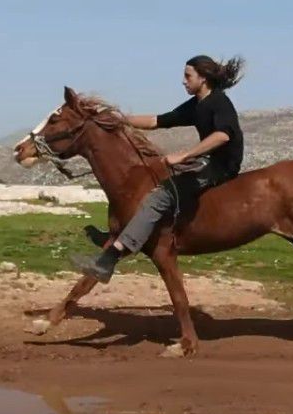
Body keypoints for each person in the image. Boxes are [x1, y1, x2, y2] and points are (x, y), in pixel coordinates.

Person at [73, 55, 245, 283]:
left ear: (203, 78)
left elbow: (223, 135)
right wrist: (119, 120)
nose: (183, 81)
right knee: (155, 178)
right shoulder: (197, 105)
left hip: (222, 166)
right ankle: (122, 232)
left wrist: (185, 154)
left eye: (187, 76)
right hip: (209, 160)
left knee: (159, 197)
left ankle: (109, 259)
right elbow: (157, 120)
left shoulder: (219, 102)